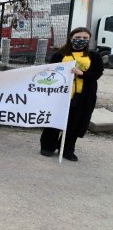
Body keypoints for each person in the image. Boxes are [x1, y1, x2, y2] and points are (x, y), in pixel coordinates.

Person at [40, 27, 103, 161]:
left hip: (82, 97)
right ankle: (47, 146)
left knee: (75, 123)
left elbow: (97, 74)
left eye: (85, 38)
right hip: (61, 96)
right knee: (55, 121)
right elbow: (52, 72)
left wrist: (82, 74)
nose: (81, 40)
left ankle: (68, 149)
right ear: (71, 38)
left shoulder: (94, 56)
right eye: (78, 37)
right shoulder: (59, 55)